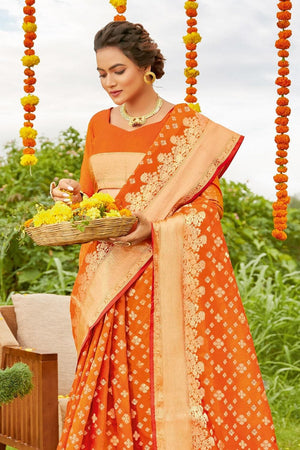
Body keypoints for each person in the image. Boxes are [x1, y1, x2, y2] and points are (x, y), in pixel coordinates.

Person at [52, 21, 278, 450]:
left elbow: (208, 205)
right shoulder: (98, 124)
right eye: (101, 74)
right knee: (109, 380)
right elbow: (92, 198)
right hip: (108, 276)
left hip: (159, 277)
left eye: (118, 70)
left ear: (146, 68)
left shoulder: (186, 128)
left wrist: (153, 228)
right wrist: (71, 195)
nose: (109, 83)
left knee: (160, 377)